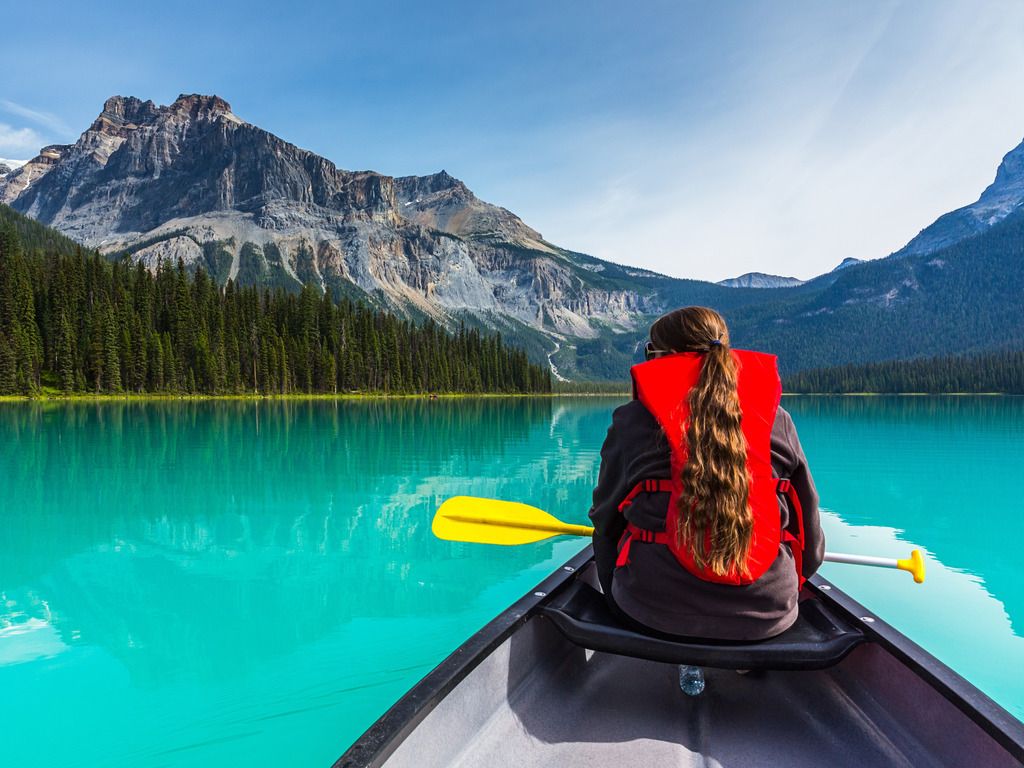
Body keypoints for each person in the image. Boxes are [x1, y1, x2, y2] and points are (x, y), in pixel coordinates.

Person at [589, 306, 824, 641]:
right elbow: (811, 543)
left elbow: (606, 522)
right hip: (768, 616)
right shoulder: (778, 420)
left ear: (665, 357)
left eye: (650, 353)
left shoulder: (631, 420)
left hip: (652, 612)